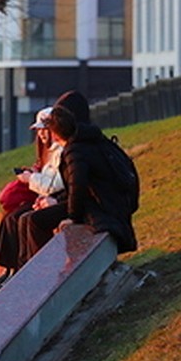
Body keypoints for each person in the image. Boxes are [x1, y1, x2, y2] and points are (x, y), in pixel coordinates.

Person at [18, 89, 138, 264]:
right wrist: (56, 201)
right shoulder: (90, 140)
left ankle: (45, 273)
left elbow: (78, 186)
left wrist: (71, 217)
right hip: (103, 204)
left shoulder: (76, 149)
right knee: (27, 219)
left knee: (35, 221)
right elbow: (77, 184)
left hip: (101, 211)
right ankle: (31, 272)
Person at [0, 107, 63, 292]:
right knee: (10, 218)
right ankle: (10, 268)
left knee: (22, 218)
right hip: (45, 197)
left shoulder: (60, 152)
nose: (42, 134)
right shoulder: (48, 152)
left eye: (46, 129)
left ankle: (23, 268)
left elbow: (53, 185)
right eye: (40, 130)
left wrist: (30, 179)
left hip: (56, 200)